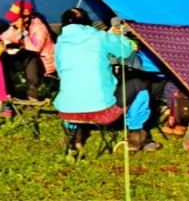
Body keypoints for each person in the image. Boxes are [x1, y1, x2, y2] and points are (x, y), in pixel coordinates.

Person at [54, 8, 159, 153]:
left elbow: (61, 72)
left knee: (72, 86)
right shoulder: (100, 37)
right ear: (87, 23)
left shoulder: (59, 44)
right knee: (139, 83)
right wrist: (118, 37)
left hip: (67, 112)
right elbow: (127, 49)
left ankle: (73, 137)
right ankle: (137, 134)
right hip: (101, 113)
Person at [0, 0, 56, 100]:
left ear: (25, 17)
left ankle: (32, 95)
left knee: (31, 56)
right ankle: (8, 93)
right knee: (4, 58)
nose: (13, 21)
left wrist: (22, 33)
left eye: (16, 18)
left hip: (43, 62)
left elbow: (34, 49)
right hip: (27, 59)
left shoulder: (39, 28)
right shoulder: (18, 25)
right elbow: (4, 37)